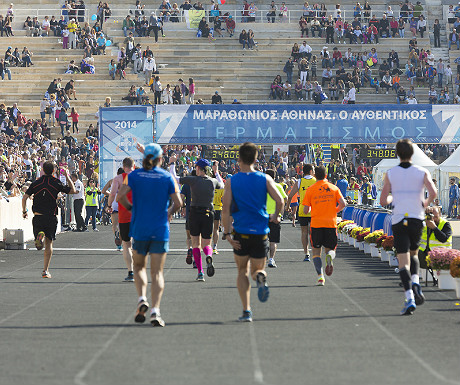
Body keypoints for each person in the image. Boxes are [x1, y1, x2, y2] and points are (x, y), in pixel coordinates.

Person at [117, 143, 182, 327]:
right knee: (158, 272)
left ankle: (142, 298)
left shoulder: (133, 176)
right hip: (160, 228)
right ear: (161, 159)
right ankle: (155, 311)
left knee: (138, 267)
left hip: (140, 228)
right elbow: (178, 203)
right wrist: (168, 212)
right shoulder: (167, 177)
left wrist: (132, 209)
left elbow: (120, 197)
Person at [222, 142, 284, 322]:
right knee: (257, 270)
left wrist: (227, 233)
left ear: (239, 158)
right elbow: (280, 200)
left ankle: (246, 310)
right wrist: (275, 216)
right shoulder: (265, 179)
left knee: (242, 271)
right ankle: (261, 276)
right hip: (260, 232)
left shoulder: (232, 181)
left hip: (241, 232)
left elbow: (225, 210)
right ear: (256, 159)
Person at [380, 139, 437, 316]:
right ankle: (416, 282)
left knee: (402, 261)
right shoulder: (422, 171)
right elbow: (433, 192)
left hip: (399, 219)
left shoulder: (391, 173)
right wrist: (425, 203)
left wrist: (391, 199)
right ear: (413, 153)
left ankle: (409, 297)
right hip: (416, 218)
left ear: (397, 154)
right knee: (414, 254)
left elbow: (383, 201)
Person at [169, 155, 224, 281]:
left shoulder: (193, 180)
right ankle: (209, 255)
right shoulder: (212, 181)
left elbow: (174, 178)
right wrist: (216, 172)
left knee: (195, 244)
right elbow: (221, 184)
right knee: (206, 244)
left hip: (194, 213)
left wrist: (172, 163)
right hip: (209, 213)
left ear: (198, 168)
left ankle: (200, 272)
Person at [22, 161, 76, 278]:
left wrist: (24, 211)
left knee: (39, 245)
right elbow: (72, 190)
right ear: (53, 171)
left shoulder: (36, 183)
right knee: (49, 244)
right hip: (50, 216)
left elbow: (25, 197)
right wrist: (67, 176)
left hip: (38, 215)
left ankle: (39, 235)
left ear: (42, 169)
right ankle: (45, 270)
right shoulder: (56, 182)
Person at [302, 165, 346, 286]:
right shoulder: (333, 188)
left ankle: (320, 276)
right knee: (330, 250)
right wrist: (334, 211)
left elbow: (305, 210)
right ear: (326, 175)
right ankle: (330, 257)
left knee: (316, 252)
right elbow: (343, 203)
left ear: (315, 175)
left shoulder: (310, 189)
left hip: (316, 224)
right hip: (330, 223)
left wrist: (313, 209)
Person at [108, 157, 136, 282]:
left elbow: (112, 194)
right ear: (133, 165)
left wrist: (109, 206)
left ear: (123, 166)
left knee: (126, 244)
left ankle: (131, 271)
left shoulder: (118, 178)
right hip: (138, 214)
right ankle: (138, 270)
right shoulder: (138, 176)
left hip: (124, 214)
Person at [287, 164, 316, 261]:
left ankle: (306, 253)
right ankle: (315, 252)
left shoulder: (300, 181)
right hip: (314, 210)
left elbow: (290, 195)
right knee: (314, 232)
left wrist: (287, 207)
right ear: (311, 171)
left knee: (304, 232)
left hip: (303, 210)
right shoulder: (316, 181)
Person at [418, 206, 452, 285]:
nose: (434, 219)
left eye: (436, 217)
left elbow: (443, 238)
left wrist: (434, 228)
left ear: (440, 215)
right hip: (425, 252)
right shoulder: (425, 223)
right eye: (432, 217)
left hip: (442, 253)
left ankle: (435, 278)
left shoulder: (445, 224)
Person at [265, 169, 287, 268]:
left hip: (263, 215)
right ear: (275, 177)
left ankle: (263, 255)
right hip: (275, 215)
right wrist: (281, 212)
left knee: (262, 237)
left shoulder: (261, 187)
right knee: (273, 240)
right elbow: (285, 198)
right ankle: (271, 259)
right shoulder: (278, 186)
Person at [211, 161, 224, 255]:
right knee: (215, 228)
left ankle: (206, 246)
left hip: (207, 208)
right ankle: (214, 247)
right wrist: (216, 170)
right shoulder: (220, 186)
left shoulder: (206, 184)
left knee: (206, 228)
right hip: (217, 208)